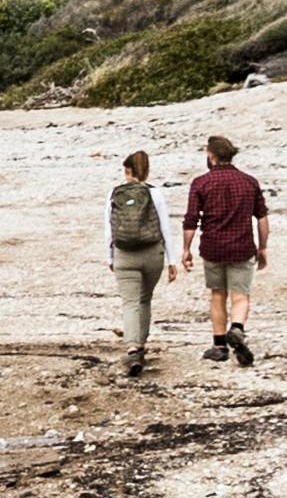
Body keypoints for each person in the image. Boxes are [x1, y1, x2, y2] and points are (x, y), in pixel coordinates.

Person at [181, 132, 271, 364]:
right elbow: (261, 218)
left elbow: (191, 219)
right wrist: (262, 247)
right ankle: (238, 328)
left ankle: (219, 345)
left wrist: (186, 249)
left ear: (211, 156)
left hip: (213, 248)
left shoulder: (201, 183)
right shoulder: (249, 181)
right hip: (242, 247)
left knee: (218, 294)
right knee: (240, 296)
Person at [105, 149, 167, 377]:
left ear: (126, 171)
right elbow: (165, 228)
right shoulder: (155, 194)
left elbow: (108, 229)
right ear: (146, 170)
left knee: (130, 302)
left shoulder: (114, 193)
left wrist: (109, 256)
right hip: (152, 253)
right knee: (145, 299)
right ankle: (141, 343)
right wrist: (171, 259)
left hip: (124, 254)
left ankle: (132, 350)